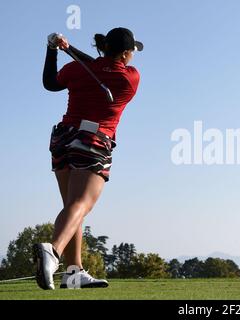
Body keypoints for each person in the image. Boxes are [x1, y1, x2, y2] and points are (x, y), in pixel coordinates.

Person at [33, 28, 143, 290]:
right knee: (81, 204)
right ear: (126, 54)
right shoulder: (130, 77)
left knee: (73, 207)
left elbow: (51, 83)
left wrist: (54, 50)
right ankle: (54, 251)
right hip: (92, 140)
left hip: (63, 138)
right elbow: (100, 67)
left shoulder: (76, 69)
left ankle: (74, 273)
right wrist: (69, 49)